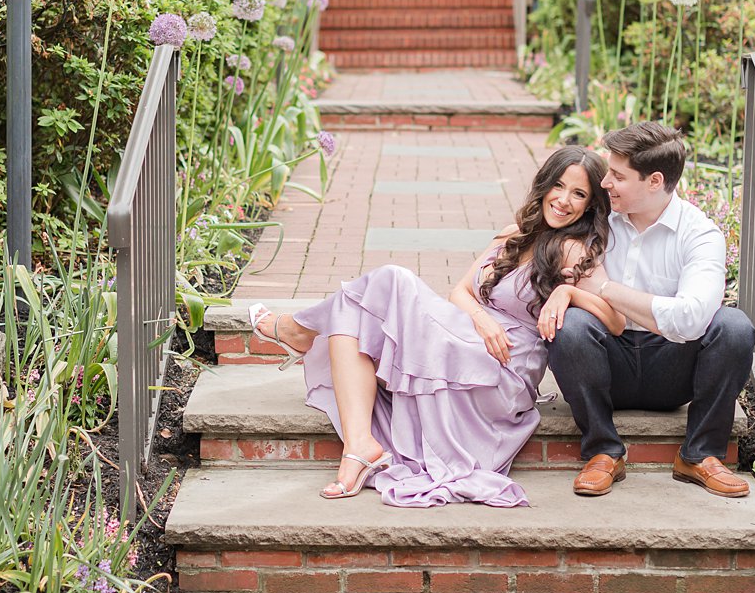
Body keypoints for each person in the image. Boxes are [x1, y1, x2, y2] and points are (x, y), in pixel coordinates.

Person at [247, 146, 622, 507]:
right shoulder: (515, 234)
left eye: (578, 193)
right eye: (558, 186)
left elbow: (616, 321)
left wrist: (567, 294)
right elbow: (460, 290)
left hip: (501, 369)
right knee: (359, 306)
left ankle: (299, 332)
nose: (563, 200)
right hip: (471, 335)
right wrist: (482, 318)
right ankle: (358, 446)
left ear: (590, 205)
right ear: (545, 185)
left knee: (391, 281)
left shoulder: (575, 249)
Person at [546, 121, 755, 500]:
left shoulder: (700, 234)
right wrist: (565, 290)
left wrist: (607, 289)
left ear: (655, 181)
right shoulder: (598, 220)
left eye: (617, 176)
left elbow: (692, 320)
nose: (605, 182)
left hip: (673, 368)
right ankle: (603, 452)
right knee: (571, 326)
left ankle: (700, 455)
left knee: (734, 326)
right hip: (607, 362)